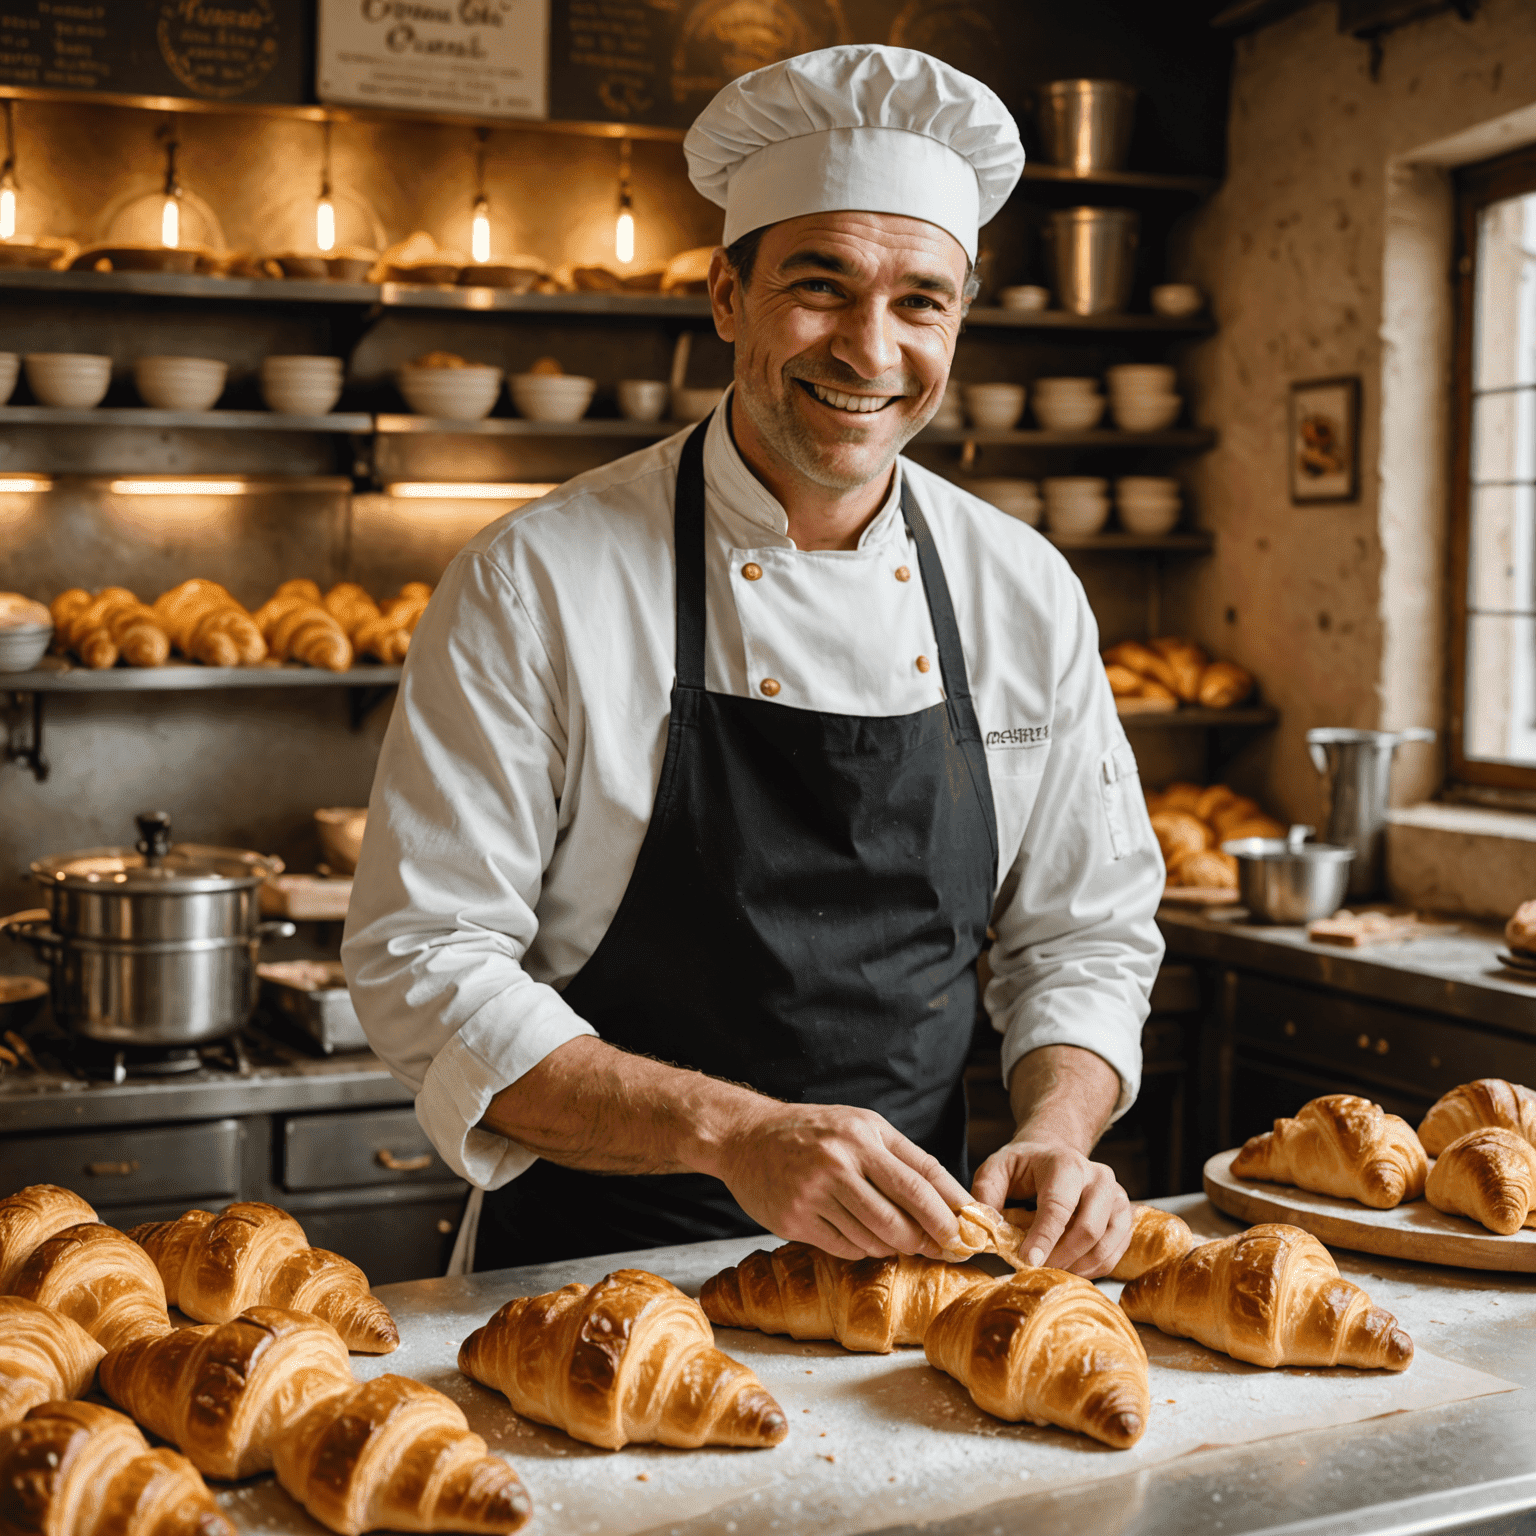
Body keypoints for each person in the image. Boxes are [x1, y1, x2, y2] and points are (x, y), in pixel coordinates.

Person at [342, 44, 1164, 1277]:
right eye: (819, 286)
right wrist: (735, 1135)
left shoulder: (1022, 589)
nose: (871, 351)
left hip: (911, 1280)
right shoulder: (541, 578)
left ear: (960, 320)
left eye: (920, 301)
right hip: (586, 1282)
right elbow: (423, 960)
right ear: (726, 296)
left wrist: (1057, 1126)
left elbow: (1082, 932)